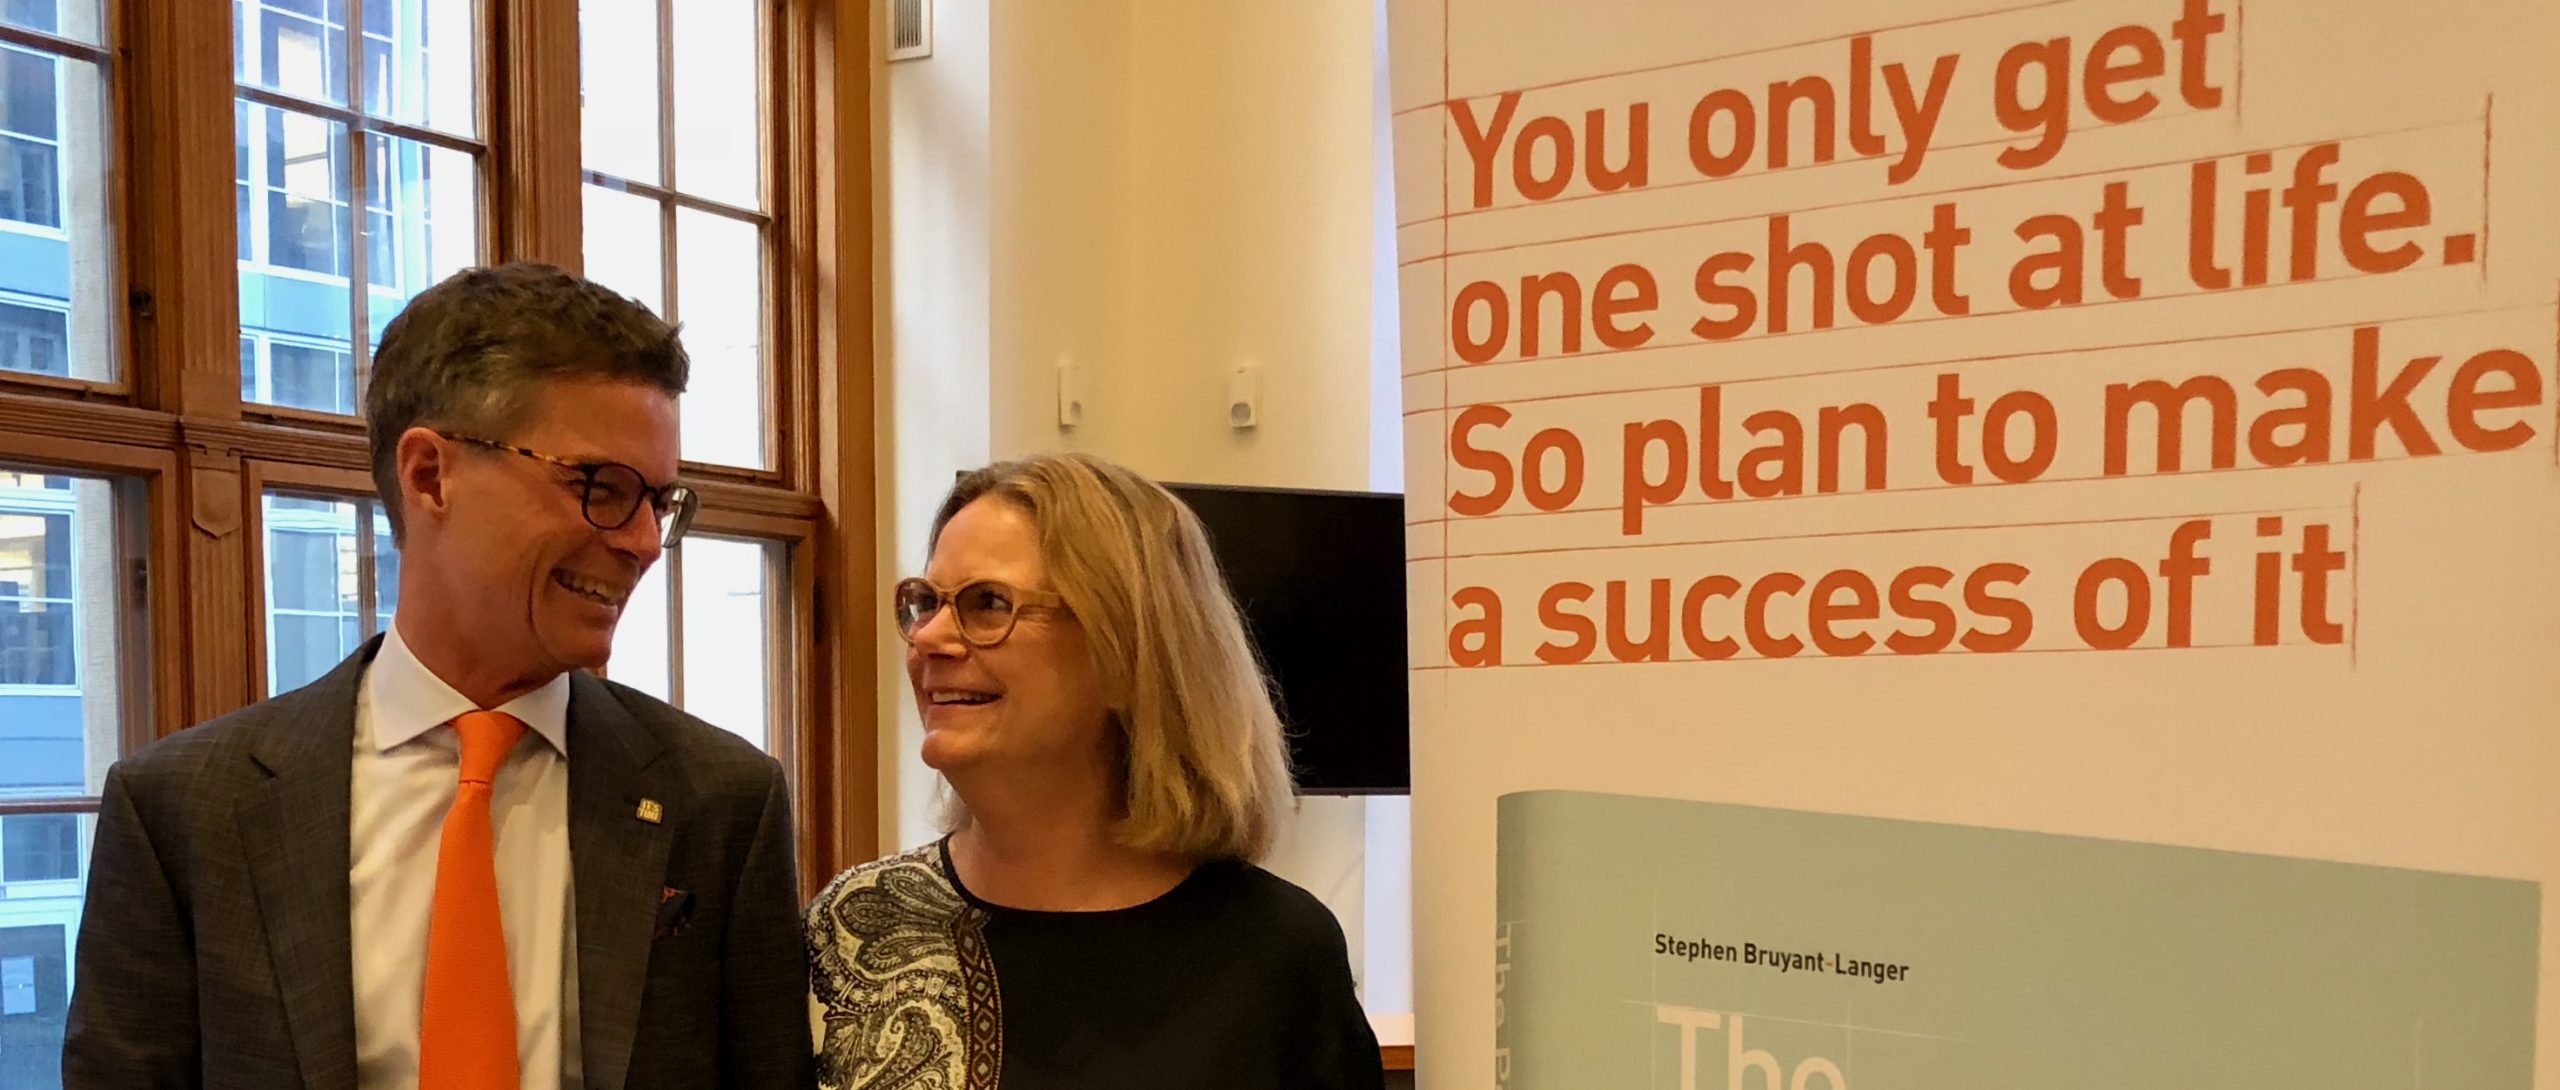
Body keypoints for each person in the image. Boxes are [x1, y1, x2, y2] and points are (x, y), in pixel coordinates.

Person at [62, 263, 815, 1090]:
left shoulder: (722, 801)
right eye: (601, 488)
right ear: (430, 475)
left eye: (660, 503)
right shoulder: (184, 813)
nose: (640, 541)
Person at [807, 453, 1384, 1090]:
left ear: (1126, 652)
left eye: (988, 604)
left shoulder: (1277, 952)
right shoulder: (855, 922)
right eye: (926, 602)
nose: (928, 640)